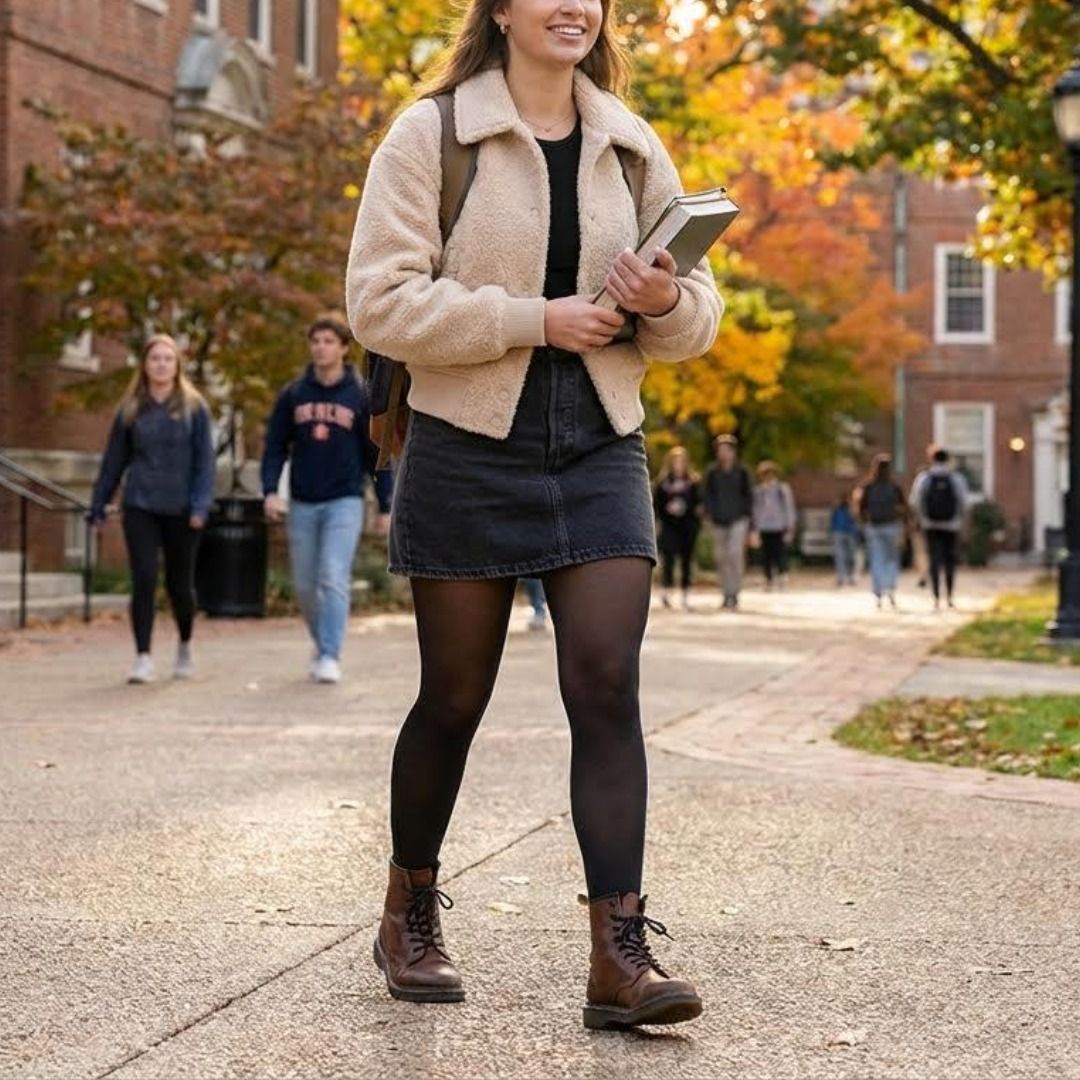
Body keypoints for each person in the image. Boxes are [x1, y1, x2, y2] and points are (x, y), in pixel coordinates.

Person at [346, 0, 722, 1031]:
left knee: (606, 685)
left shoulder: (629, 143)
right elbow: (379, 302)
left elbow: (699, 314)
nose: (573, 7)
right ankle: (408, 911)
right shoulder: (433, 134)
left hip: (599, 442)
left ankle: (618, 955)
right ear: (502, 10)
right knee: (453, 698)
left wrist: (661, 302)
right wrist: (532, 321)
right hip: (468, 443)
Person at [261, 315, 392, 684]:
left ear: (344, 348)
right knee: (305, 585)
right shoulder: (294, 394)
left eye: (328, 341)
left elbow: (377, 454)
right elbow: (274, 447)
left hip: (344, 501)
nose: (321, 347)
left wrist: (385, 504)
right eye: (315, 341)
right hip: (302, 501)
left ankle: (330, 654)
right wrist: (270, 490)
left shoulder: (360, 395)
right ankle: (322, 645)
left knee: (333, 576)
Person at [89, 335, 214, 684]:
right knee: (143, 578)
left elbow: (205, 463)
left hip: (182, 508)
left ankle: (185, 644)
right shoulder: (131, 409)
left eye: (167, 359)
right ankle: (142, 657)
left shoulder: (194, 408)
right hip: (140, 504)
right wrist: (98, 504)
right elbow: (114, 461)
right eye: (155, 359)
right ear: (144, 365)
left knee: (179, 584)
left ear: (177, 366)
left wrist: (200, 505)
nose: (161, 365)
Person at [909, 447, 970, 610]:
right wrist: (963, 523)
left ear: (932, 459)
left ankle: (936, 597)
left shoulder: (924, 478)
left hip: (930, 525)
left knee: (934, 560)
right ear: (947, 459)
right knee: (950, 560)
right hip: (951, 525)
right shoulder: (956, 478)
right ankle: (949, 596)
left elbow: (915, 501)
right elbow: (964, 502)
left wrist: (920, 518)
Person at [703, 434, 752, 610]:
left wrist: (750, 521)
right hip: (718, 520)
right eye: (720, 450)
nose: (722, 453)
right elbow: (707, 495)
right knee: (721, 557)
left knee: (734, 554)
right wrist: (709, 514)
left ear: (733, 452)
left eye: (726, 450)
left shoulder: (742, 472)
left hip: (738, 519)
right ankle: (726, 593)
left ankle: (735, 592)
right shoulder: (712, 472)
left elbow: (749, 496)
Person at [855, 453, 906, 609]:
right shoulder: (895, 486)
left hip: (874, 526)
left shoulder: (867, 486)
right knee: (892, 559)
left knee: (877, 559)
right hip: (892, 526)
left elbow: (860, 508)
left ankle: (878, 592)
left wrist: (863, 522)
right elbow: (904, 507)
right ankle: (890, 586)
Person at [653, 446, 701, 611]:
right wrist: (665, 512)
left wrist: (689, 510)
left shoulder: (693, 482)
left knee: (687, 560)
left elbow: (698, 504)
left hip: (688, 526)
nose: (679, 464)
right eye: (676, 461)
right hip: (669, 526)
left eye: (682, 461)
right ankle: (666, 592)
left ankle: (685, 594)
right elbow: (656, 505)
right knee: (668, 559)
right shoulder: (662, 483)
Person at [752, 461, 796, 590]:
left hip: (779, 525)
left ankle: (782, 576)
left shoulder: (782, 489)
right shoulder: (759, 491)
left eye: (770, 473)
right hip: (764, 526)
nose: (767, 476)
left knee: (780, 552)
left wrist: (790, 524)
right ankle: (768, 578)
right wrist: (755, 527)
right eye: (764, 474)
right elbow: (755, 509)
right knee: (766, 554)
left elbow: (788, 507)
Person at [829, 490, 858, 587]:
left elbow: (855, 518)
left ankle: (849, 576)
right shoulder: (837, 508)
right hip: (840, 533)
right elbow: (833, 521)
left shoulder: (850, 508)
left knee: (849, 556)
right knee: (841, 556)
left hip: (848, 533)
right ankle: (841, 577)